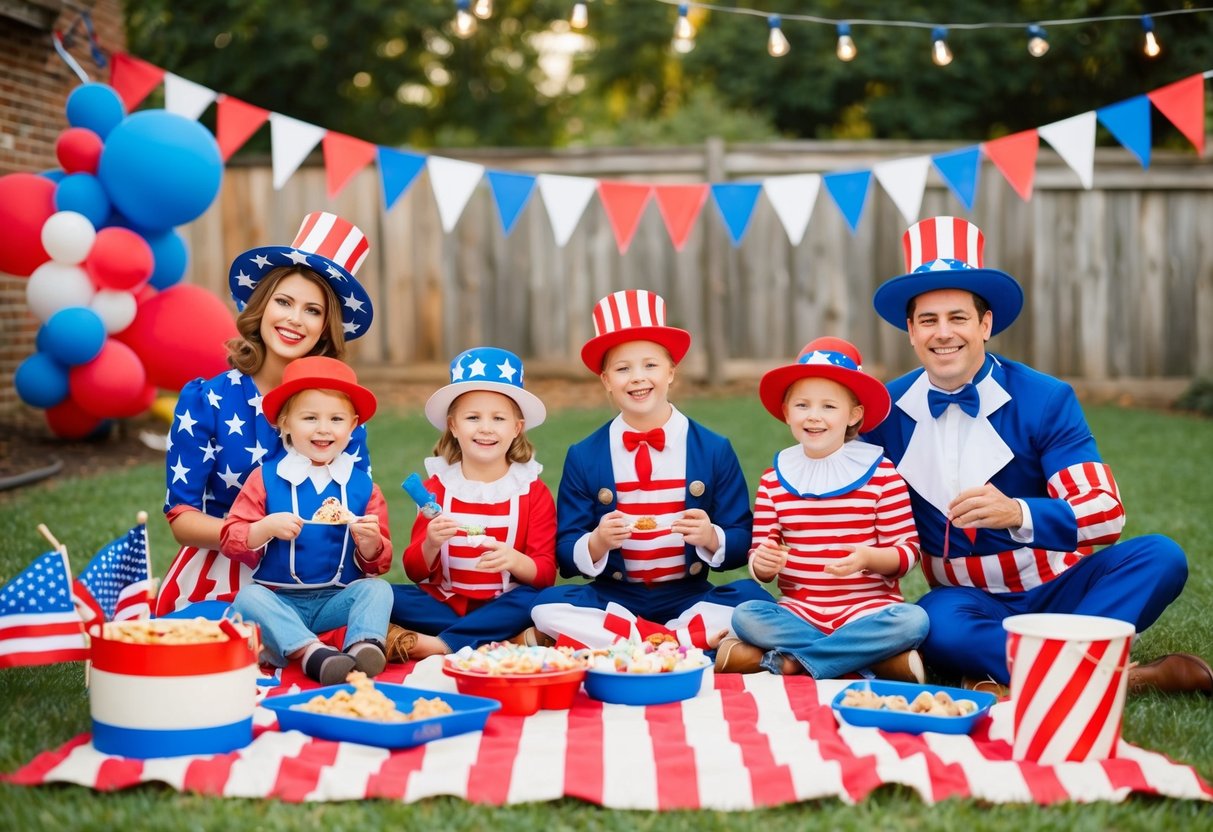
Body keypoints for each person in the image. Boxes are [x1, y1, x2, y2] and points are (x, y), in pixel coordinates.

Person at [863, 215, 1211, 695]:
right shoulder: (883, 410)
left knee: (1161, 556)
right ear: (911, 331)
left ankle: (1011, 672)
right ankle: (1122, 677)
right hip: (967, 601)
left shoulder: (1045, 398)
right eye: (928, 320)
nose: (943, 333)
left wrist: (1016, 511)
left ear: (986, 324)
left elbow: (1105, 514)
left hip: (1065, 588)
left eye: (958, 317)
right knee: (935, 624)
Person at [155, 212, 375, 619]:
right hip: (222, 572)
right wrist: (251, 533)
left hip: (317, 579)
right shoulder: (208, 400)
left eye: (312, 310)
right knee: (232, 655)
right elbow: (181, 519)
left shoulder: (342, 414)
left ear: (327, 328)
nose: (294, 319)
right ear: (262, 306)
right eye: (284, 302)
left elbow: (357, 507)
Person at [529, 289, 771, 650]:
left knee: (756, 602)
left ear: (672, 372)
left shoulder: (713, 449)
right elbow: (565, 550)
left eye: (650, 365)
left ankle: (637, 641)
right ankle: (676, 641)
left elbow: (740, 537)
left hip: (689, 595)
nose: (637, 378)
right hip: (614, 597)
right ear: (606, 380)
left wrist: (710, 537)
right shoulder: (585, 455)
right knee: (544, 608)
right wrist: (596, 543)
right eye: (623, 369)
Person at [715, 337, 929, 682]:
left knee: (912, 621)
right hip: (800, 612)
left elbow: (908, 553)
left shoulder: (881, 474)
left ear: (854, 414)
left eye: (829, 406)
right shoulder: (775, 478)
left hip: (867, 610)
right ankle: (862, 661)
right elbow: (762, 552)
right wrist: (762, 563)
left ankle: (797, 662)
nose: (814, 416)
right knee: (746, 615)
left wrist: (869, 558)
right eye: (802, 405)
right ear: (786, 411)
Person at [220, 356, 393, 685]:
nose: (324, 428)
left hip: (335, 599)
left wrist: (370, 545)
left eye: (336, 419)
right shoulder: (266, 478)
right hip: (280, 600)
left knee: (378, 590)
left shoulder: (362, 487)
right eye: (310, 417)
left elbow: (378, 565)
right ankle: (312, 653)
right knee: (248, 598)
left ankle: (363, 647)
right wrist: (265, 527)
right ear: (285, 423)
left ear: (353, 425)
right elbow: (232, 538)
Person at [384, 347, 557, 661]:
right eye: (473, 417)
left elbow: (545, 573)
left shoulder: (533, 491)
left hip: (506, 604)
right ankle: (507, 639)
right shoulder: (435, 487)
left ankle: (438, 645)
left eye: (499, 418)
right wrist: (431, 544)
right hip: (443, 603)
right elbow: (413, 571)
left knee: (541, 600)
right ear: (453, 425)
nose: (486, 428)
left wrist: (516, 560)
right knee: (381, 595)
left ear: (517, 427)